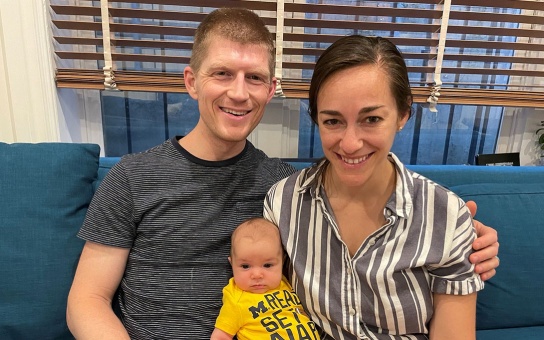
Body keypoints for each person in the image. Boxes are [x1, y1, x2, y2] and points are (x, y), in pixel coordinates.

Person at [66, 8, 498, 339]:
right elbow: (87, 299)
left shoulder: (278, 187)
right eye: (222, 74)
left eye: (254, 77)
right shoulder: (133, 176)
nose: (238, 92)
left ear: (271, 89)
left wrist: (463, 234)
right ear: (192, 81)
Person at [264, 35, 486, 340]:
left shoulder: (445, 216)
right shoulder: (283, 203)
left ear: (403, 115)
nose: (351, 143)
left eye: (371, 119)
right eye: (333, 121)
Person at [211, 218, 319, 340]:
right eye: (245, 266)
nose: (257, 275)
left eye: (267, 265)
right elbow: (221, 336)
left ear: (282, 262)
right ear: (232, 264)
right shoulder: (236, 299)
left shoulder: (285, 282)